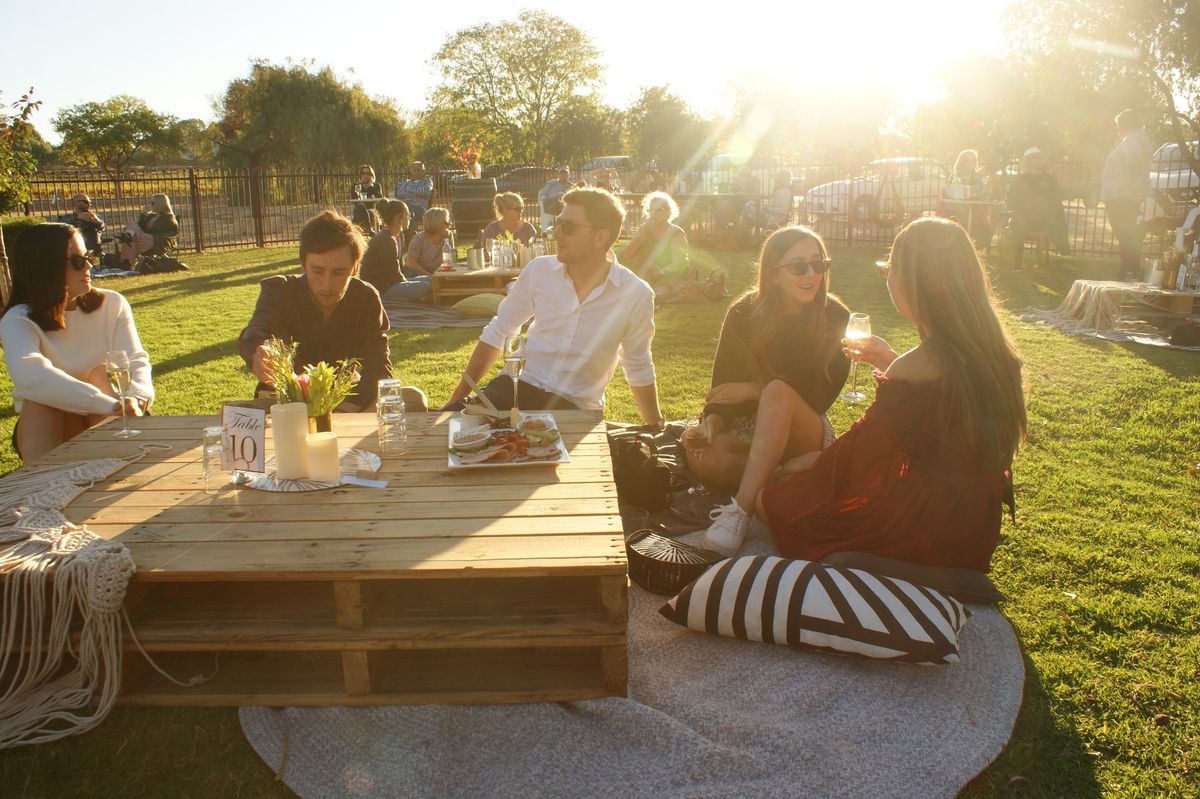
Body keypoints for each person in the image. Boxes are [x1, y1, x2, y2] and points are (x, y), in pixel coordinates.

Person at [702, 217, 1026, 571]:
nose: (888, 276)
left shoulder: (903, 353)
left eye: (891, 268)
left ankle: (747, 502)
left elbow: (865, 455)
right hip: (971, 527)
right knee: (726, 461)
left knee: (772, 498)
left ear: (916, 283)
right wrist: (891, 360)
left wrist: (808, 463)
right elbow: (933, 423)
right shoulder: (994, 353)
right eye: (798, 266)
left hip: (920, 525)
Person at [441, 187, 663, 424]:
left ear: (601, 237)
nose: (556, 233)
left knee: (543, 457)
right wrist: (454, 402)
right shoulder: (539, 271)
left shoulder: (635, 294)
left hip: (573, 407)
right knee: (453, 435)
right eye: (557, 223)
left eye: (567, 227)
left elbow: (638, 366)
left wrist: (655, 427)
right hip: (515, 388)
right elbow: (499, 332)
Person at [683, 226, 850, 493]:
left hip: (803, 429)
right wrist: (712, 422)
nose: (812, 274)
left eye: (819, 264)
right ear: (772, 274)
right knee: (707, 458)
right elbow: (724, 386)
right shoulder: (744, 313)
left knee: (778, 394)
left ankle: (759, 489)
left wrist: (753, 390)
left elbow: (819, 397)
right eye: (799, 267)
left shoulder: (836, 317)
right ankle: (787, 477)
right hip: (750, 427)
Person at [0, 223, 152, 461]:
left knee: (101, 374)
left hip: (112, 412)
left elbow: (135, 360)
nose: (90, 266)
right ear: (46, 267)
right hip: (56, 421)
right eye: (78, 261)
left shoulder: (112, 304)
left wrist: (137, 398)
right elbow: (31, 376)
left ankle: (111, 480)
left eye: (89, 256)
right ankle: (45, 489)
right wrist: (105, 405)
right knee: (42, 403)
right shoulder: (18, 319)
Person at [239, 210, 390, 412]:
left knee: (413, 398)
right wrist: (258, 351)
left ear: (354, 269)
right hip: (286, 401)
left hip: (345, 398)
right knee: (235, 412)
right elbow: (255, 331)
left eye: (339, 272)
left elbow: (379, 366)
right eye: (317, 271)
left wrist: (344, 410)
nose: (327, 284)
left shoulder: (365, 297)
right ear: (304, 265)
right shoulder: (279, 290)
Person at [621, 191, 724, 303]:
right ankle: (701, 289)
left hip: (671, 276)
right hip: (645, 276)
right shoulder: (643, 229)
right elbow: (626, 255)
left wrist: (661, 271)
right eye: (651, 210)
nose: (654, 213)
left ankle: (702, 289)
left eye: (659, 210)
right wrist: (641, 236)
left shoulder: (676, 233)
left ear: (668, 212)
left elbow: (680, 262)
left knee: (658, 294)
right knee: (629, 293)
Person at [1101, 109, 1154, 278]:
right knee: (1126, 233)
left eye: (1118, 125)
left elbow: (1133, 162)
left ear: (1124, 124)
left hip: (1121, 195)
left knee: (1124, 232)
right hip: (1127, 194)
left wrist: (1125, 182)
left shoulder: (1131, 140)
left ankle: (1129, 269)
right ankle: (1128, 268)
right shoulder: (1140, 139)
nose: (1117, 129)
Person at [1005, 147, 1070, 267]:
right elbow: (1011, 201)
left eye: (1041, 157)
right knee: (1017, 224)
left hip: (1044, 220)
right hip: (1023, 219)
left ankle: (1040, 262)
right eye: (1037, 157)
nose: (1041, 160)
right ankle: (1017, 263)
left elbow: (1056, 200)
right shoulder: (1019, 180)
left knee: (1024, 224)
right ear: (1028, 161)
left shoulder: (1050, 180)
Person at [360, 200, 432, 303]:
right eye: (407, 215)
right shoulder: (385, 240)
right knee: (426, 286)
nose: (410, 218)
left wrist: (410, 281)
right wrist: (409, 284)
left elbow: (399, 269)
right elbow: (395, 275)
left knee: (429, 280)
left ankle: (404, 296)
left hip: (391, 281)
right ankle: (395, 298)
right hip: (380, 287)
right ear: (398, 218)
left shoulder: (399, 236)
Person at [945, 149, 993, 247]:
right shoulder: (954, 176)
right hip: (957, 210)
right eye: (969, 160)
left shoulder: (978, 177)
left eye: (974, 160)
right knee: (958, 223)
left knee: (986, 226)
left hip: (976, 209)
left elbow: (984, 193)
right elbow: (952, 193)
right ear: (962, 161)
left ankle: (978, 249)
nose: (973, 163)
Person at [117, 193, 179, 267]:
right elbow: (141, 226)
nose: (150, 205)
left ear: (160, 204)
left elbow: (152, 231)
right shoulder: (152, 216)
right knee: (131, 240)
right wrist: (143, 214)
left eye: (153, 203)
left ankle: (126, 262)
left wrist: (138, 232)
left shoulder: (169, 218)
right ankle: (127, 261)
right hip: (146, 239)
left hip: (157, 243)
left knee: (131, 229)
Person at [406, 207, 454, 278]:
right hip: (417, 277)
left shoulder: (447, 236)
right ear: (437, 224)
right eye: (446, 222)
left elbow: (452, 258)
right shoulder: (418, 239)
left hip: (439, 274)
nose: (449, 224)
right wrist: (430, 276)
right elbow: (411, 263)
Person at [393, 162, 434, 239]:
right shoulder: (407, 182)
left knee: (408, 210)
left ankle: (406, 239)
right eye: (414, 170)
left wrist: (408, 191)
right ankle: (394, 237)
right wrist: (415, 191)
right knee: (396, 211)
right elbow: (399, 193)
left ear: (424, 171)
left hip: (420, 208)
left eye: (419, 170)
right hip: (405, 207)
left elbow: (425, 191)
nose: (416, 172)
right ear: (411, 171)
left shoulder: (427, 181)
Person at [350, 164, 384, 235]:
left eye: (368, 173)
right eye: (363, 173)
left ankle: (353, 230)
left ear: (372, 175)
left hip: (371, 209)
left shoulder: (376, 186)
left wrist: (369, 186)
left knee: (364, 208)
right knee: (361, 206)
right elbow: (355, 200)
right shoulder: (356, 186)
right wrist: (368, 199)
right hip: (359, 209)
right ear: (360, 175)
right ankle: (369, 228)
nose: (365, 175)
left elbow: (379, 198)